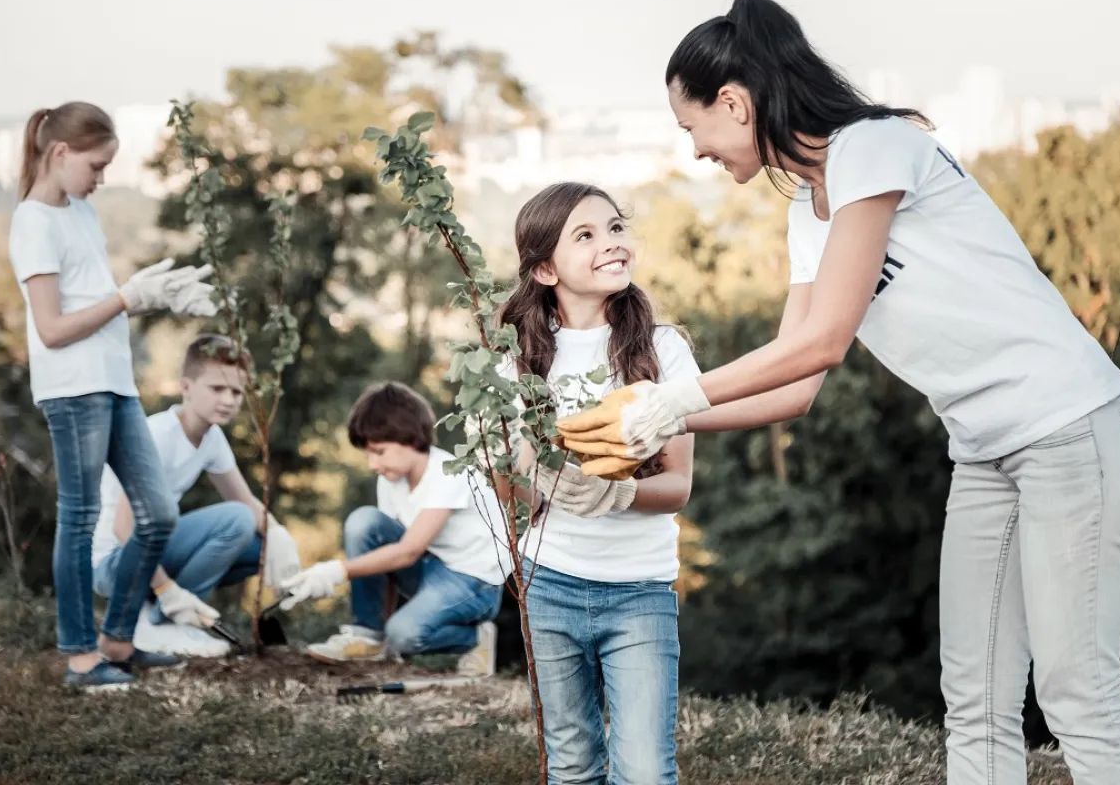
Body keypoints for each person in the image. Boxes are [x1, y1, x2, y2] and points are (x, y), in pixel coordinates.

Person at [555, 0, 1120, 785]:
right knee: (974, 696)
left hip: (1073, 427)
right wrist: (648, 427)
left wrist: (671, 397)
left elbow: (825, 336)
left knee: (1076, 689)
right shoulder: (808, 206)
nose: (694, 149)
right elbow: (797, 379)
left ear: (734, 103)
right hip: (984, 450)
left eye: (690, 126)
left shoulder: (873, 147)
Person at [488, 182, 700, 785]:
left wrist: (620, 491)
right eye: (586, 235)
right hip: (547, 584)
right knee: (573, 766)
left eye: (615, 227)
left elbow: (678, 487)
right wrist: (530, 480)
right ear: (546, 268)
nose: (612, 244)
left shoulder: (664, 350)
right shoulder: (518, 360)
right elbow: (510, 486)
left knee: (644, 774)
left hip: (639, 593)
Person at [8, 102, 220, 690]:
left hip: (115, 382)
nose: (102, 179)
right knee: (79, 519)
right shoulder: (33, 222)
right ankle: (81, 657)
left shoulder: (80, 212)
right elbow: (51, 329)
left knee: (157, 514)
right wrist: (129, 298)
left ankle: (118, 642)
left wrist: (158, 296)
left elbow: (95, 300)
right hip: (73, 390)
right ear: (60, 153)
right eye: (96, 166)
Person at [90, 334, 303, 657]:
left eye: (236, 392)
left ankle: (154, 619)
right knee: (237, 521)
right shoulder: (157, 436)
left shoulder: (212, 438)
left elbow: (245, 499)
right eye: (217, 388)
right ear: (186, 387)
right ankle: (166, 623)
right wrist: (167, 590)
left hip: (151, 553)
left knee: (259, 546)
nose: (229, 400)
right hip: (114, 563)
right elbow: (124, 528)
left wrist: (279, 537)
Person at [279, 381, 510, 677]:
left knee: (405, 634)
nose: (373, 464)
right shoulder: (390, 479)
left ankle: (476, 639)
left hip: (473, 583)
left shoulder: (447, 473)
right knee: (365, 521)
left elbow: (406, 552)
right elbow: (385, 558)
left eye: (379, 451)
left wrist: (336, 571)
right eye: (367, 454)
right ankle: (367, 636)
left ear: (411, 439)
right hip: (430, 568)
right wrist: (379, 631)